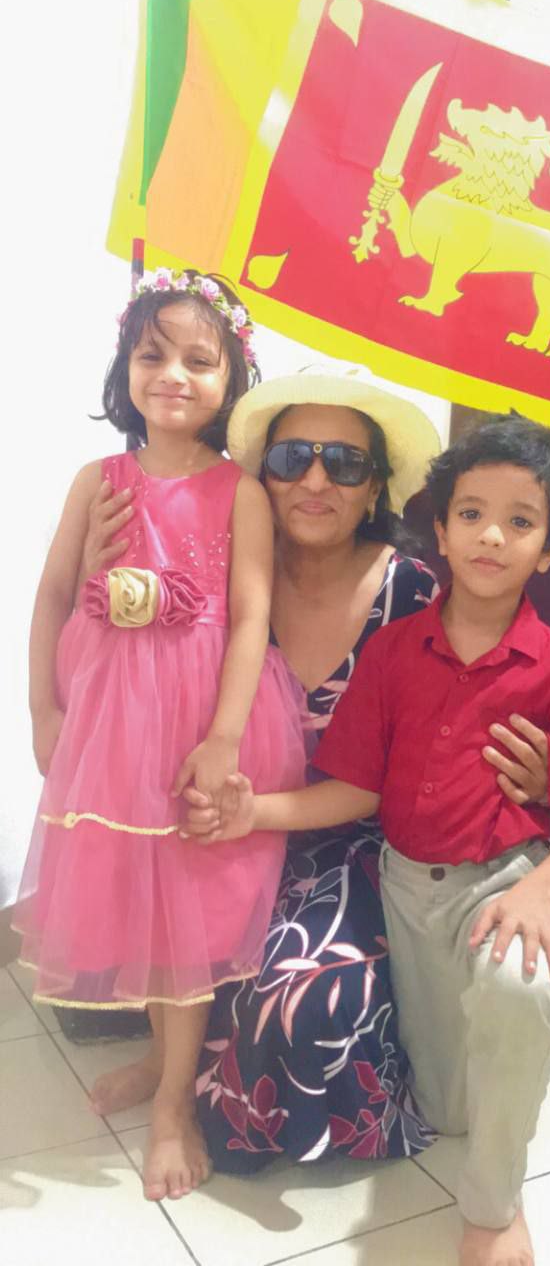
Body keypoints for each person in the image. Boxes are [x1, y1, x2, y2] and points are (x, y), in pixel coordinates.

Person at [192, 413, 550, 1266]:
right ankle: (515, 1048)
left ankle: (495, 1207)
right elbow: (353, 788)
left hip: (501, 884)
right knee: (443, 1100)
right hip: (400, 889)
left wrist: (538, 891)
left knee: (517, 988)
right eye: (470, 514)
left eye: (519, 521)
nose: (491, 535)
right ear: (440, 529)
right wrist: (255, 812)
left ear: (548, 549)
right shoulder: (391, 653)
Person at [12, 269, 306, 1203]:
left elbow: (252, 615)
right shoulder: (96, 480)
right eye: (151, 354)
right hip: (108, 717)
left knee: (189, 898)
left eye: (197, 358)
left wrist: (222, 740)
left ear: (231, 380)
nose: (171, 373)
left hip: (200, 717)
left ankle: (175, 1099)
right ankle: (157, 1060)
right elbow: (52, 599)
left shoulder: (240, 490)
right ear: (124, 369)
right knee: (139, 896)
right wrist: (44, 712)